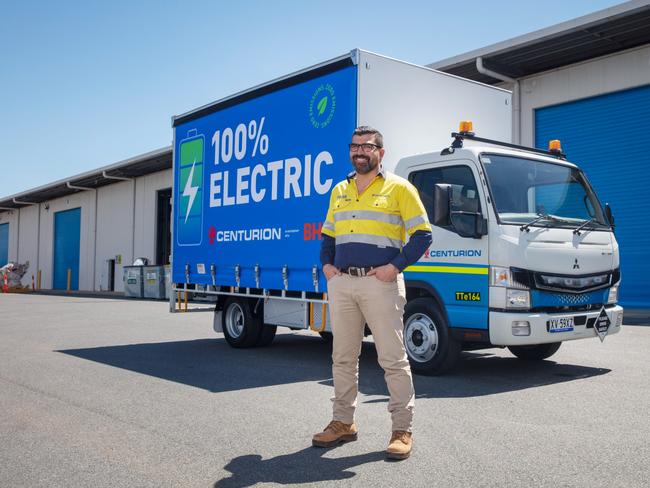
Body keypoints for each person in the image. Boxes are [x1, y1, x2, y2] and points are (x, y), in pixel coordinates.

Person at [312, 126, 432, 460]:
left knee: (392, 359)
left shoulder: (399, 188)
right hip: (343, 284)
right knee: (343, 357)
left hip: (380, 284)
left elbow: (423, 235)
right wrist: (327, 267)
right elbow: (328, 235)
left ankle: (401, 430)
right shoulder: (339, 190)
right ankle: (342, 423)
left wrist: (394, 267)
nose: (359, 151)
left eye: (367, 146)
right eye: (354, 146)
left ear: (381, 152)